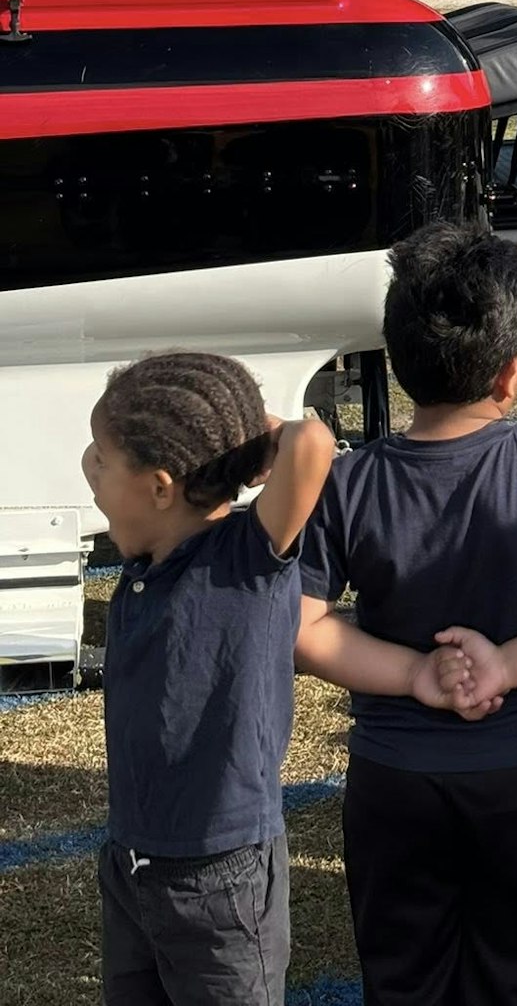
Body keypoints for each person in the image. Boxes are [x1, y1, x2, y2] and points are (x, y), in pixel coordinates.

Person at [296, 223, 517, 1006]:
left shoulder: (352, 482)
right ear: (511, 371)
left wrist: (416, 675)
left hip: (395, 782)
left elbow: (303, 624)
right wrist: (508, 665)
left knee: (405, 980)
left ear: (396, 359)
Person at [82, 351, 335, 1006]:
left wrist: (239, 444)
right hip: (131, 861)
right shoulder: (146, 560)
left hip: (220, 880)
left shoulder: (246, 561)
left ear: (162, 487)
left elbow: (312, 443)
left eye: (103, 460)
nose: (88, 468)